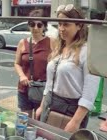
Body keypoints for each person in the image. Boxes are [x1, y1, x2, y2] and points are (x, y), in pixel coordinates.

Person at [36, 4, 100, 133]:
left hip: (71, 110)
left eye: (66, 24)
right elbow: (49, 84)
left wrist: (76, 121)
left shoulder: (87, 52)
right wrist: (42, 106)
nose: (61, 28)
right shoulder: (59, 49)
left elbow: (89, 93)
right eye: (59, 24)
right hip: (50, 104)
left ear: (79, 25)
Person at [14, 9, 54, 118]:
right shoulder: (22, 43)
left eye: (39, 25)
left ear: (45, 27)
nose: (35, 28)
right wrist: (22, 75)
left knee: (39, 120)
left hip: (41, 90)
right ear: (28, 25)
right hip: (24, 88)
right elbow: (17, 63)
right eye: (32, 24)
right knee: (24, 120)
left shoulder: (51, 42)